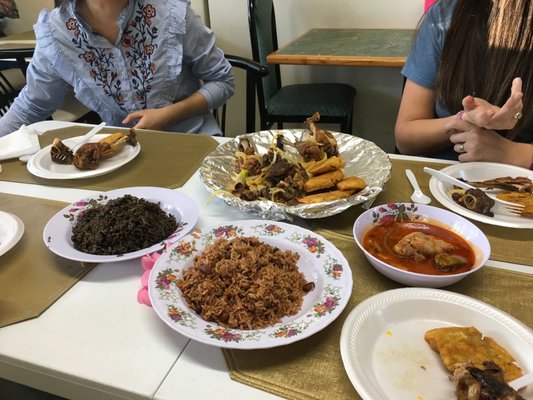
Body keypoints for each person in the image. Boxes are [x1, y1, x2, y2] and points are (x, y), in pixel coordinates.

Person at [0, 0, 235, 137]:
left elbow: (222, 81)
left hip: (193, 141)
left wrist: (169, 114)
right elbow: (32, 104)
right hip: (122, 156)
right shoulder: (56, 32)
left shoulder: (170, 12)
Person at [395, 0, 533, 169]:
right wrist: (465, 119)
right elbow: (405, 137)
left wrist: (508, 152)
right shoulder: (444, 15)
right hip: (442, 180)